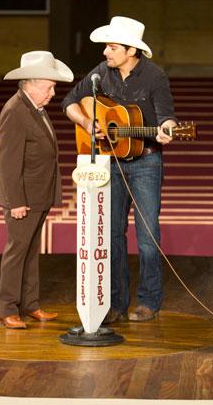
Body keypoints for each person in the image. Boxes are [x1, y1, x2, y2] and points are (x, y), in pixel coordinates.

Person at [62, 16, 177, 323]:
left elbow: (166, 116)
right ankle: (116, 303)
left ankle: (149, 301)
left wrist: (167, 128)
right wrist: (88, 123)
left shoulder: (154, 76)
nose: (105, 53)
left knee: (148, 237)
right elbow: (70, 102)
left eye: (112, 47)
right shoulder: (101, 73)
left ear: (131, 50)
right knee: (112, 235)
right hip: (110, 163)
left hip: (146, 162)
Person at [0, 51, 74, 329]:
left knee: (30, 252)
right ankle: (7, 308)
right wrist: (16, 201)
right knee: (17, 251)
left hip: (38, 195)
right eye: (49, 86)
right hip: (23, 198)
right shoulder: (15, 110)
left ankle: (30, 305)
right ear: (29, 83)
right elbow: (7, 162)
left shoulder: (33, 108)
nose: (53, 92)